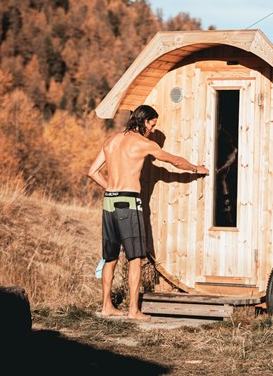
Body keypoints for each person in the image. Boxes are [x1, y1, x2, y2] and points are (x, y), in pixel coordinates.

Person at [87, 104, 209, 320]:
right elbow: (174, 161)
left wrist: (112, 189)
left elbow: (92, 172)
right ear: (144, 121)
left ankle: (106, 306)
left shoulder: (111, 141)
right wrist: (197, 169)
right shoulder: (143, 143)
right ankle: (134, 310)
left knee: (110, 257)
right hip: (128, 202)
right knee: (135, 258)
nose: (152, 129)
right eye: (152, 124)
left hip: (109, 202)